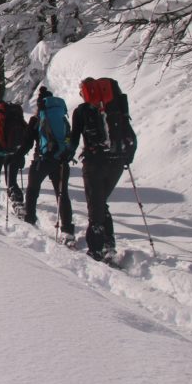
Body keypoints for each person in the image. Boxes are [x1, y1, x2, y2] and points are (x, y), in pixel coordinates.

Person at [68, 77, 135, 263]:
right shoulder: (117, 108)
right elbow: (130, 134)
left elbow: (73, 139)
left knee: (95, 205)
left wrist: (66, 153)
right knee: (101, 202)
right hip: (117, 162)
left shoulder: (81, 111)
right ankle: (109, 243)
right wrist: (126, 158)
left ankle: (96, 249)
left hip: (94, 163)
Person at [21, 87, 75, 246]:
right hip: (61, 160)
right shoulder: (62, 118)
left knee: (32, 189)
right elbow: (68, 138)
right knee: (62, 194)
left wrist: (16, 157)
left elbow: (27, 142)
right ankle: (67, 231)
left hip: (43, 160)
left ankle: (29, 218)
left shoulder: (37, 119)